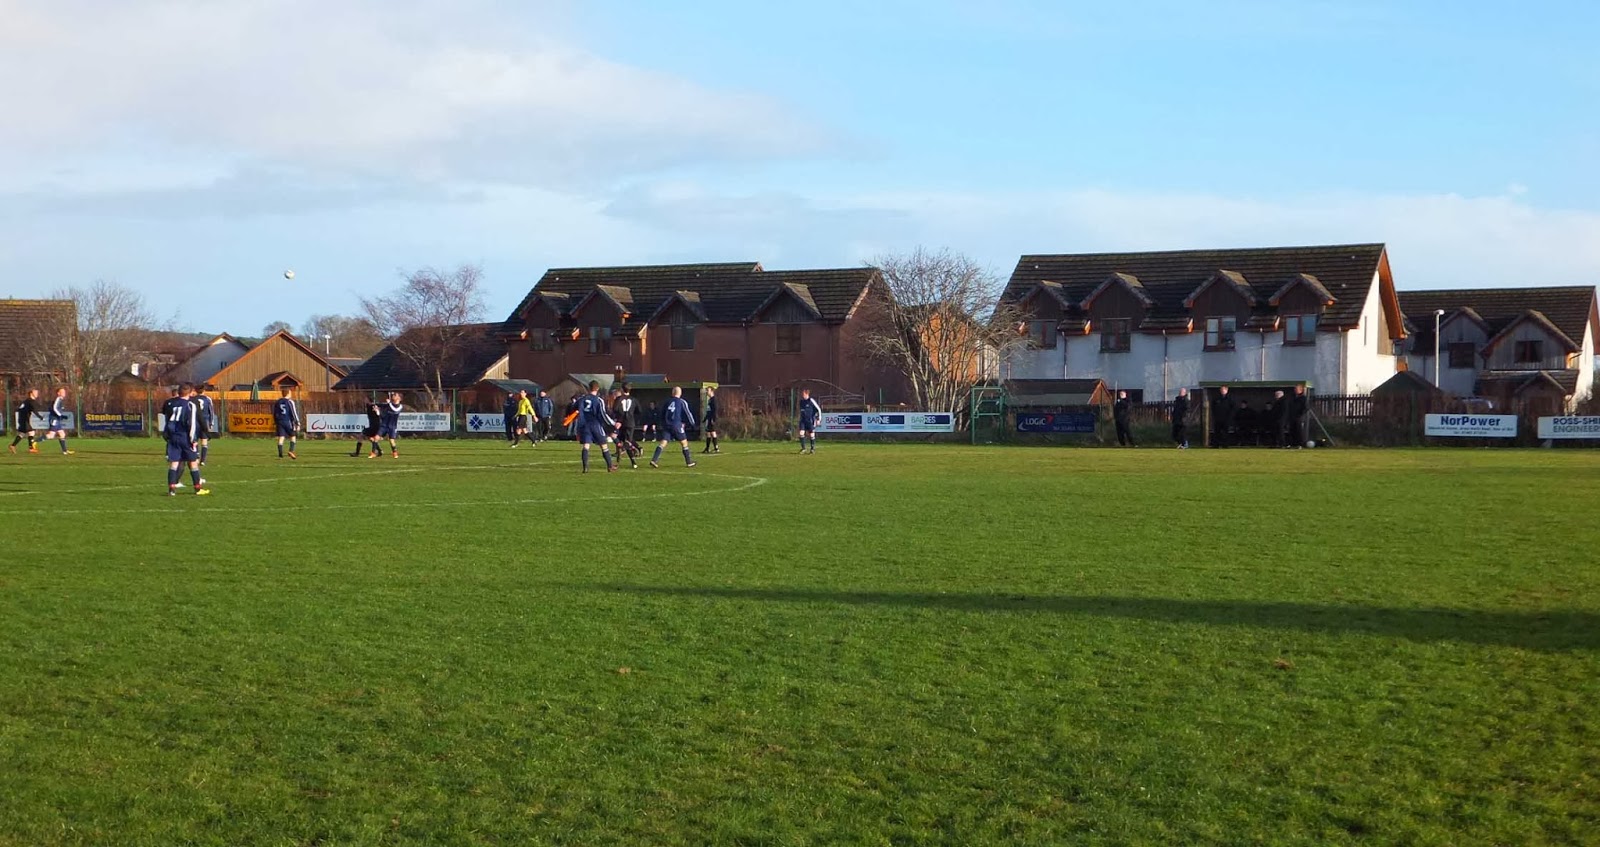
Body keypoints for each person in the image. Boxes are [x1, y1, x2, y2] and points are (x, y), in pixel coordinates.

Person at [164, 383, 210, 496]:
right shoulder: (190, 405)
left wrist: (167, 436)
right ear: (189, 393)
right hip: (185, 437)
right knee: (193, 463)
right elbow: (192, 424)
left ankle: (171, 490)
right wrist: (193, 439)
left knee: (174, 464)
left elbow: (168, 420)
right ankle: (198, 489)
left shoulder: (172, 403)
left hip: (173, 437)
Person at [575, 380, 619, 473]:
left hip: (584, 425)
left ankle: (585, 468)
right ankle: (610, 466)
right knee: (604, 445)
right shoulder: (599, 400)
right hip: (595, 424)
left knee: (586, 446)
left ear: (588, 388)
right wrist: (612, 423)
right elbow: (603, 414)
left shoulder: (582, 399)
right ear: (597, 389)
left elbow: (574, 408)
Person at [650, 386, 698, 469]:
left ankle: (654, 460)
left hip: (666, 425)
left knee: (663, 442)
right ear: (680, 393)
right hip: (676, 425)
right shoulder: (682, 402)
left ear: (672, 393)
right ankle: (689, 462)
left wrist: (661, 424)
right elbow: (688, 413)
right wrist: (693, 424)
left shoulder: (667, 401)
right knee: (684, 442)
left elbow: (662, 413)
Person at [611, 385, 641, 469]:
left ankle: (623, 451)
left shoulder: (619, 399)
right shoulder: (634, 399)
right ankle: (633, 462)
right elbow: (639, 410)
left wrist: (618, 419)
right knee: (626, 441)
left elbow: (615, 410)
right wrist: (632, 416)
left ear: (622, 389)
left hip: (621, 423)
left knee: (623, 443)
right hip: (630, 423)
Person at [40, 387, 73, 455]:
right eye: (62, 392)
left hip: (57, 419)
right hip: (54, 419)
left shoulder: (60, 399)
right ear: (58, 393)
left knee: (62, 434)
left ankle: (65, 451)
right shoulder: (58, 399)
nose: (64, 393)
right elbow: (54, 408)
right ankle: (34, 441)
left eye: (64, 391)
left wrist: (60, 416)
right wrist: (60, 415)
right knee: (51, 435)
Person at [9, 388, 39, 454]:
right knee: (31, 432)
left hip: (22, 419)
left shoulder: (26, 401)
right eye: (35, 392)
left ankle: (12, 445)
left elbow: (20, 409)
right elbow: (34, 410)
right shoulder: (31, 401)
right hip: (24, 420)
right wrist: (40, 417)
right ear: (31, 393)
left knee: (22, 433)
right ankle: (31, 448)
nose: (37, 394)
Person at [192, 385, 216, 466]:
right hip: (204, 422)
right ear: (204, 390)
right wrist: (211, 423)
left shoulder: (192, 399)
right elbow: (211, 411)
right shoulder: (207, 399)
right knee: (204, 441)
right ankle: (203, 460)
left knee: (194, 441)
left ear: (195, 390)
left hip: (195, 422)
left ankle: (197, 458)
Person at [272, 387, 299, 459]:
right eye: (290, 392)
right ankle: (291, 451)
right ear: (288, 393)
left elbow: (274, 413)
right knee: (293, 436)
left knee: (281, 437)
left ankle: (280, 455)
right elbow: (294, 413)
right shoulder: (290, 402)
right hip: (288, 421)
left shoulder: (277, 402)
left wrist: (275, 421)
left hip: (279, 421)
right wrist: (297, 422)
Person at [377, 392, 403, 458]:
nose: (393, 396)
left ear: (399, 398)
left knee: (391, 441)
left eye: (395, 395)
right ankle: (377, 451)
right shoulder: (389, 405)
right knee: (375, 438)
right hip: (384, 425)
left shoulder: (400, 407)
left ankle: (395, 453)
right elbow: (382, 410)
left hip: (392, 426)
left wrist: (389, 403)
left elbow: (395, 409)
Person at [797, 388, 822, 454]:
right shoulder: (801, 402)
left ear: (807, 394)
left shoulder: (811, 400)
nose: (803, 395)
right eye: (802, 394)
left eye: (804, 394)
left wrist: (818, 419)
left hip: (810, 420)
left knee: (811, 434)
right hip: (803, 420)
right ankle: (803, 449)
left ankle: (812, 449)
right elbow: (801, 411)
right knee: (801, 433)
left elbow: (818, 409)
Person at [702, 386, 720, 454]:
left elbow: (714, 410)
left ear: (712, 391)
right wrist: (705, 418)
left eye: (708, 390)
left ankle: (716, 448)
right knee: (709, 433)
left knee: (712, 432)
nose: (707, 392)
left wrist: (713, 419)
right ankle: (708, 448)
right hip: (709, 418)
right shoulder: (709, 399)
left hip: (711, 419)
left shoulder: (713, 399)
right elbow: (708, 411)